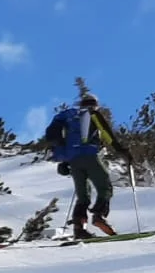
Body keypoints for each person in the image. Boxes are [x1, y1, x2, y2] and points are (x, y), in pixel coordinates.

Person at [47, 91, 133, 239]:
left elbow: (67, 140)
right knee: (104, 187)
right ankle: (99, 216)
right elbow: (106, 134)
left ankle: (79, 228)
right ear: (95, 105)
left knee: (83, 196)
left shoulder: (69, 117)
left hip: (73, 161)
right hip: (90, 156)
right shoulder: (93, 114)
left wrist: (65, 161)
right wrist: (122, 151)